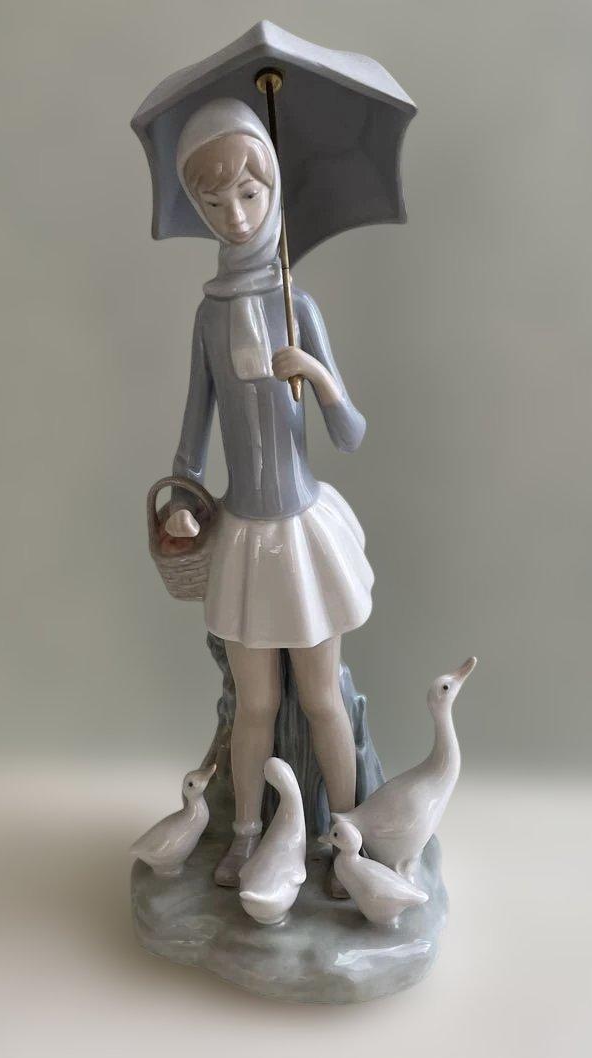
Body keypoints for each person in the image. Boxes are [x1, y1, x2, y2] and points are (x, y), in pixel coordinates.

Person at [166, 99, 373, 891]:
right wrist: (183, 494)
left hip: (301, 531)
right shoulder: (209, 316)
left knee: (321, 699)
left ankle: (346, 839)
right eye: (214, 202)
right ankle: (248, 833)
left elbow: (350, 434)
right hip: (246, 536)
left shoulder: (298, 305)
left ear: (273, 190)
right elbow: (194, 426)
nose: (236, 215)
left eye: (249, 194)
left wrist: (318, 377)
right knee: (253, 704)